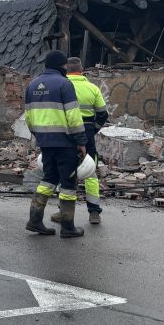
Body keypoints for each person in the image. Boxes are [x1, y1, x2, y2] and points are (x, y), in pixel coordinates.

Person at [24, 50, 88, 238]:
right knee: (68, 183)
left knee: (49, 178)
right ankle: (68, 227)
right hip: (65, 142)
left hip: (45, 141)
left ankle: (35, 220)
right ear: (63, 66)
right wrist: (81, 141)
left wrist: (39, 135)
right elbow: (73, 116)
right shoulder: (64, 84)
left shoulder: (32, 85)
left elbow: (28, 117)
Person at [50, 57, 108, 225]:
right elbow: (103, 114)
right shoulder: (92, 88)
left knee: (65, 172)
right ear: (82, 70)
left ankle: (64, 212)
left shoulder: (61, 86)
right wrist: (93, 129)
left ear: (66, 70)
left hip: (65, 134)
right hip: (87, 133)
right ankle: (94, 212)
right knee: (90, 172)